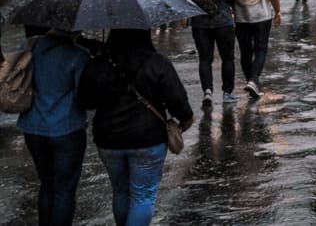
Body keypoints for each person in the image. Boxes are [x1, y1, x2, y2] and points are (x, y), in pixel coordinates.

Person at [76, 29, 193, 226]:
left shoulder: (99, 64)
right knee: (143, 196)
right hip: (148, 139)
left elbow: (85, 101)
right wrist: (184, 121)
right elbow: (178, 100)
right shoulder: (158, 63)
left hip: (108, 139)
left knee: (120, 190)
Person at [17, 29, 91, 226]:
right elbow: (84, 97)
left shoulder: (29, 45)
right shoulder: (79, 55)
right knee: (64, 189)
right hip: (67, 130)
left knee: (47, 184)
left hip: (33, 128)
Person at [230, 0, 281, 98]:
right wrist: (277, 11)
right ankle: (253, 80)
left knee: (245, 51)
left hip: (241, 16)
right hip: (262, 14)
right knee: (261, 49)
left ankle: (250, 81)